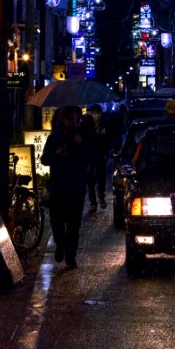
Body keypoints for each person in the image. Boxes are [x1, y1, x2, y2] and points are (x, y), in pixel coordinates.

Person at [41, 106, 89, 269]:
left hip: (76, 186)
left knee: (74, 223)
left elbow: (91, 157)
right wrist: (57, 154)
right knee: (57, 221)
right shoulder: (55, 137)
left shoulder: (82, 135)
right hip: (59, 186)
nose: (75, 122)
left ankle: (71, 255)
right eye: (72, 119)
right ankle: (60, 244)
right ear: (64, 119)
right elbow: (45, 159)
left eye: (78, 119)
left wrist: (81, 146)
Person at [82, 104, 110, 213]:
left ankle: (101, 197)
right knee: (90, 181)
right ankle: (93, 203)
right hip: (89, 158)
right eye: (94, 112)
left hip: (101, 157)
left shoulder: (105, 124)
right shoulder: (86, 125)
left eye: (98, 112)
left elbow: (108, 140)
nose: (96, 114)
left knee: (101, 179)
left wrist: (106, 153)